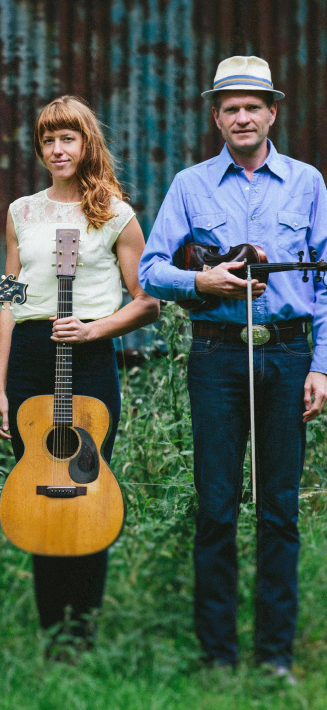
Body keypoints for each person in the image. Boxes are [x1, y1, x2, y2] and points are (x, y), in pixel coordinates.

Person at [139, 56, 327, 678]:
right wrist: (203, 280)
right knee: (217, 508)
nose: (242, 117)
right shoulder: (190, 185)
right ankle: (217, 654)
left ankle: (274, 654)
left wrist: (320, 367)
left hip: (287, 352)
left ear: (272, 113)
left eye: (253, 106)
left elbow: (325, 285)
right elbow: (150, 270)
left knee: (279, 509)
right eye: (230, 108)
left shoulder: (308, 183)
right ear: (216, 118)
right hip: (217, 358)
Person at [0, 95, 159, 652]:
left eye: (68, 138)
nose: (57, 150)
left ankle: (81, 631)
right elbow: (11, 302)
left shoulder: (114, 212)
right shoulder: (22, 211)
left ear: (86, 144)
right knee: (37, 490)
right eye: (48, 140)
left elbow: (146, 302)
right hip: (33, 358)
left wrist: (94, 329)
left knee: (88, 490)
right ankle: (50, 631)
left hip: (87, 355)